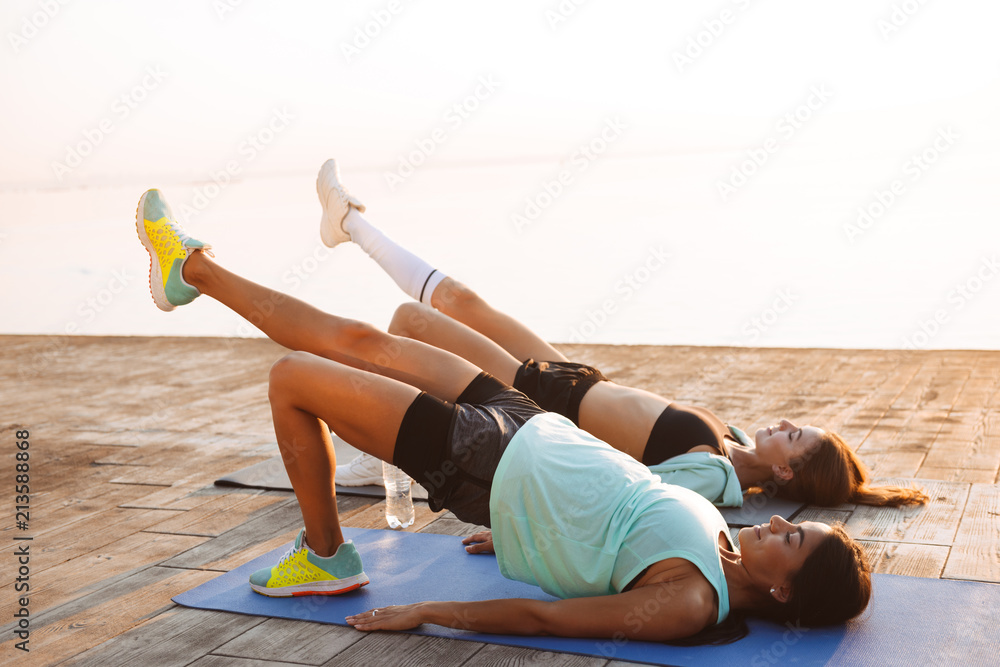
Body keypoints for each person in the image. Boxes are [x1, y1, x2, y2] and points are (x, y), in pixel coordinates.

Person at [132, 174, 872, 643]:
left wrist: (432, 609)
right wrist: (536, 533)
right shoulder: (722, 541)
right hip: (524, 420)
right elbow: (621, 503)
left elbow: (548, 617)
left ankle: (326, 556)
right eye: (793, 522)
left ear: (782, 590)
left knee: (293, 377)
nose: (777, 523)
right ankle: (186, 269)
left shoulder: (689, 602)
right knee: (361, 336)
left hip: (484, 463)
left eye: (794, 541)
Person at [322, 160, 927, 509]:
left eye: (792, 436)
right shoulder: (734, 443)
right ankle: (348, 223)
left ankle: (371, 459)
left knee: (410, 326)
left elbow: (628, 494)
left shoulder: (714, 475)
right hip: (575, 377)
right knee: (461, 301)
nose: (783, 423)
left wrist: (523, 528)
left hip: (546, 403)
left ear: (788, 472)